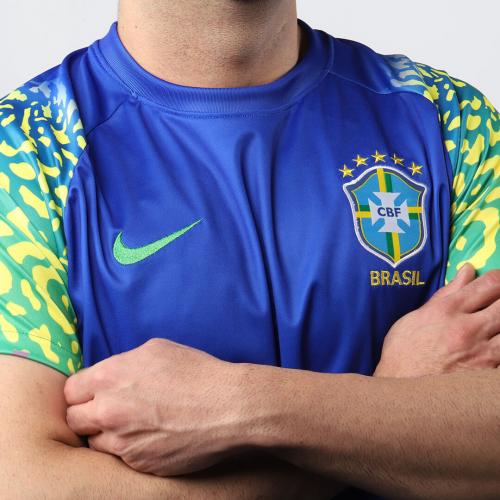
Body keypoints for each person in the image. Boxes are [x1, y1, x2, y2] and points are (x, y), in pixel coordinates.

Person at [0, 0, 498, 498]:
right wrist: (388, 408)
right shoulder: (25, 150)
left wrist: (239, 407)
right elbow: (26, 481)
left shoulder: (450, 122)